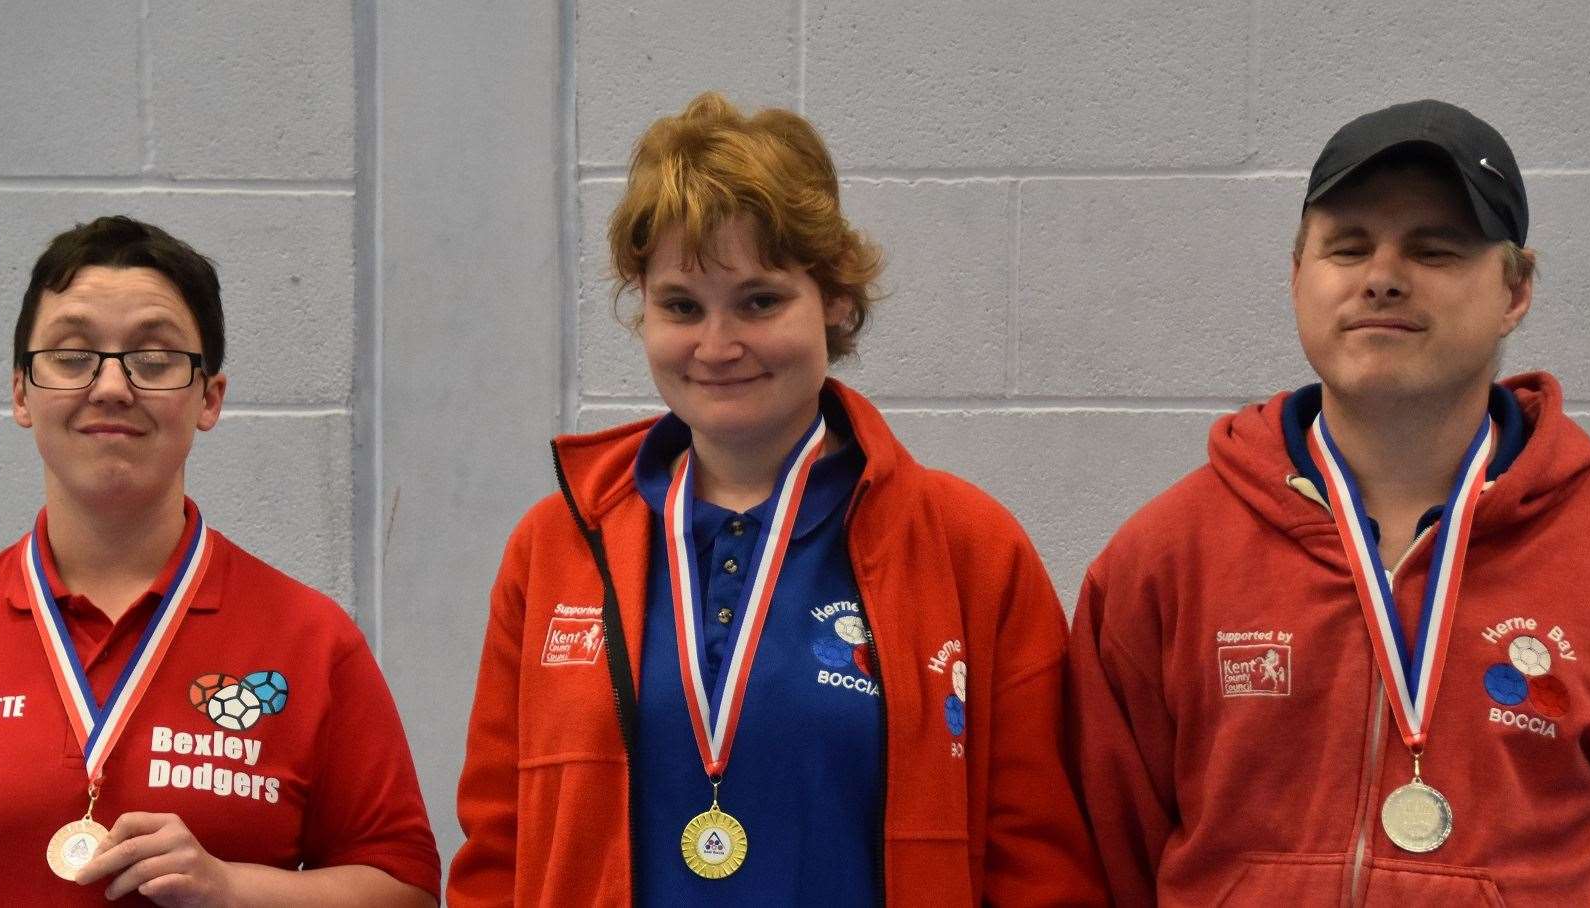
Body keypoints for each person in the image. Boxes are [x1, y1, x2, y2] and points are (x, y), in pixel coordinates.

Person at [449, 92, 1104, 905]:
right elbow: (496, 852)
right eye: (681, 306)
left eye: (759, 301)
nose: (717, 346)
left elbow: (1039, 864)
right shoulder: (557, 546)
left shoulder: (968, 546)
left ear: (833, 300)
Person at [1064, 99, 1590, 902]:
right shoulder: (1168, 557)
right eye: (1346, 248)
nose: (1381, 277)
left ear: (1516, 289)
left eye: (1434, 250)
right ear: (1295, 277)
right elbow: (1104, 862)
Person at [0, 216, 440, 905]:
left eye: (153, 358)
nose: (110, 386)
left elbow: (406, 890)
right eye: (72, 355)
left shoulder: (310, 639)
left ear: (208, 398)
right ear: (20, 393)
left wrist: (233, 888)